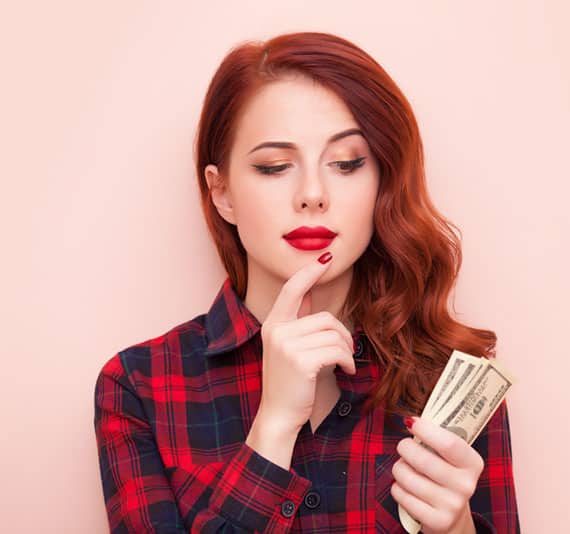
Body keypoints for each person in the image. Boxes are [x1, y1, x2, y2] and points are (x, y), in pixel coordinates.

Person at [93, 31, 520, 533]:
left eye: (346, 163)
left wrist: (456, 530)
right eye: (274, 167)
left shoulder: (450, 377)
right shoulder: (140, 387)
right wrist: (272, 427)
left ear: (382, 182)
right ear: (222, 192)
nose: (313, 194)